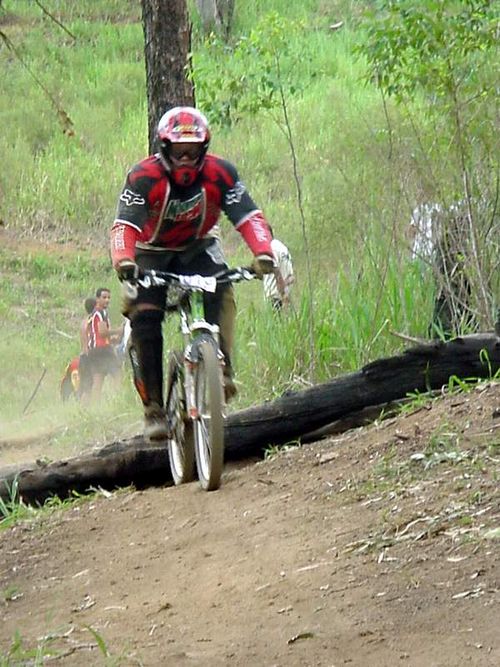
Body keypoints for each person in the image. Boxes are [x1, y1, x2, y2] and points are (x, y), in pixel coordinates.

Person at [110, 106, 275, 441]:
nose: (186, 159)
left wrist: (263, 252)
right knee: (144, 317)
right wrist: (124, 260)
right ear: (164, 148)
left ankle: (222, 367)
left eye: (193, 151)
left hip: (198, 247)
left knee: (222, 285)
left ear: (205, 148)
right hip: (150, 253)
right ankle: (153, 407)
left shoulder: (221, 174)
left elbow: (249, 216)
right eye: (179, 151)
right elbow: (124, 225)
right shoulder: (144, 176)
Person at [86, 287, 122, 401]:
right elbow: (102, 332)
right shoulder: (100, 312)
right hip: (102, 350)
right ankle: (119, 400)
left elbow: (98, 334)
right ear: (97, 299)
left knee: (98, 380)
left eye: (109, 298)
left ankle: (94, 407)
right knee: (118, 374)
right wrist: (118, 330)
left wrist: (113, 339)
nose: (107, 300)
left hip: (94, 350)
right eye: (104, 297)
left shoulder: (93, 314)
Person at [263, 228, 294, 310]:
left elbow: (277, 272)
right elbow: (291, 276)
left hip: (275, 297)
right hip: (285, 294)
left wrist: (282, 293)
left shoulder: (271, 249)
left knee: (274, 322)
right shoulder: (282, 247)